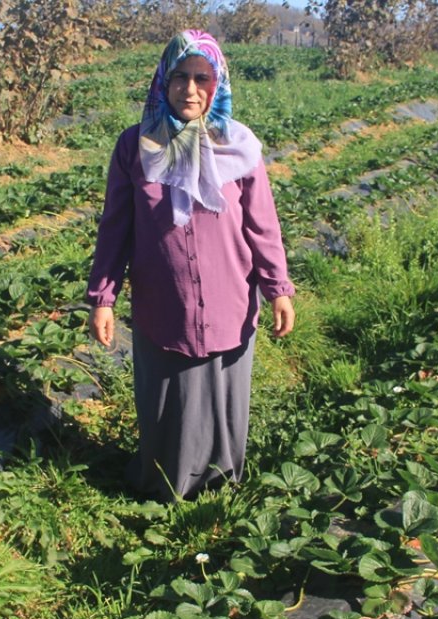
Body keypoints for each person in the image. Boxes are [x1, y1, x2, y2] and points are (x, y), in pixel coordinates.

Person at [86, 30, 296, 501]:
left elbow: (262, 225)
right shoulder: (135, 147)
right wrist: (103, 298)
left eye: (203, 77)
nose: (191, 88)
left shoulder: (239, 148)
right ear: (163, 81)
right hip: (165, 303)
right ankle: (164, 487)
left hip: (228, 298)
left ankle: (221, 488)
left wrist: (277, 287)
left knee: (224, 399)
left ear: (217, 83)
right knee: (167, 399)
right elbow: (115, 228)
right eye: (180, 76)